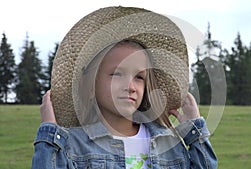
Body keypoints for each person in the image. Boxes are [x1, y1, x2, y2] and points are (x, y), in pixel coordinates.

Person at [31, 6, 217, 169]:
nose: (130, 86)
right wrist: (50, 133)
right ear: (89, 87)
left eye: (139, 77)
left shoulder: (168, 143)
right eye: (117, 74)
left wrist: (194, 131)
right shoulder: (72, 144)